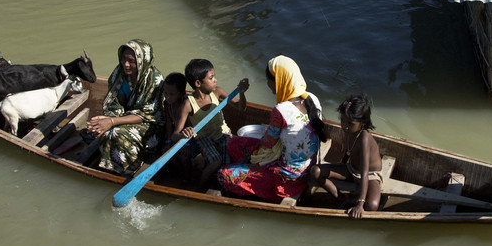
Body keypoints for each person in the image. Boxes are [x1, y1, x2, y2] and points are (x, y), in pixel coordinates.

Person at [218, 55, 327, 202]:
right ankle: (250, 168)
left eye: (269, 80)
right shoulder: (312, 98)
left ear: (279, 81)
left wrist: (261, 143)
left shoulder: (281, 110)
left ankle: (257, 179)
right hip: (307, 166)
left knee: (224, 175)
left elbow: (268, 143)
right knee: (234, 144)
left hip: (287, 179)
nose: (268, 84)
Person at [86, 39, 163, 175]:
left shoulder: (154, 80)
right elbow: (117, 104)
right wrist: (105, 119)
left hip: (150, 123)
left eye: (131, 61)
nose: (125, 65)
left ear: (141, 60)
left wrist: (111, 122)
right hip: (126, 117)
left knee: (116, 133)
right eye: (123, 59)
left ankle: (132, 165)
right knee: (101, 129)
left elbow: (146, 114)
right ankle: (112, 165)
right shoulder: (120, 74)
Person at [172, 58, 249, 189]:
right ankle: (200, 185)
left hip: (223, 134)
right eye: (211, 78)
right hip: (204, 138)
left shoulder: (217, 92)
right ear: (198, 83)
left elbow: (241, 108)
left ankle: (222, 184)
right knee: (216, 161)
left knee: (227, 165)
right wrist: (184, 134)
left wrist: (241, 92)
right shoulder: (188, 104)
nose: (215, 80)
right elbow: (174, 135)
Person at [310, 93, 382, 219]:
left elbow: (364, 173)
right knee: (316, 171)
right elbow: (349, 152)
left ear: (362, 123)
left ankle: (355, 200)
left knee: (372, 205)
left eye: (350, 123)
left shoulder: (364, 137)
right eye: (342, 120)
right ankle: (342, 198)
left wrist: (360, 204)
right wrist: (340, 167)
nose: (344, 125)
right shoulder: (348, 131)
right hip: (351, 169)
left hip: (370, 175)